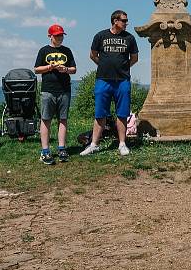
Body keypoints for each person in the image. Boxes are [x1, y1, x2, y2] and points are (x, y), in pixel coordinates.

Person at [81, 10, 139, 157]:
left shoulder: (130, 38)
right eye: (124, 20)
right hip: (103, 80)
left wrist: (123, 68)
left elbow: (134, 58)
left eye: (126, 20)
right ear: (115, 21)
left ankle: (122, 144)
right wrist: (104, 66)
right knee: (100, 113)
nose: (126, 23)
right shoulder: (100, 36)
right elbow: (93, 55)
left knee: (122, 113)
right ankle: (94, 144)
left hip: (122, 81)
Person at [34, 24, 77, 165]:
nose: (59, 38)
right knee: (45, 119)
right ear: (50, 36)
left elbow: (74, 69)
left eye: (61, 35)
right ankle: (45, 151)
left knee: (63, 119)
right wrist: (49, 67)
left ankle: (61, 148)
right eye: (57, 35)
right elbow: (36, 69)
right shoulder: (43, 50)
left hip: (64, 89)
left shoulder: (67, 51)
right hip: (48, 90)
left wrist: (65, 69)